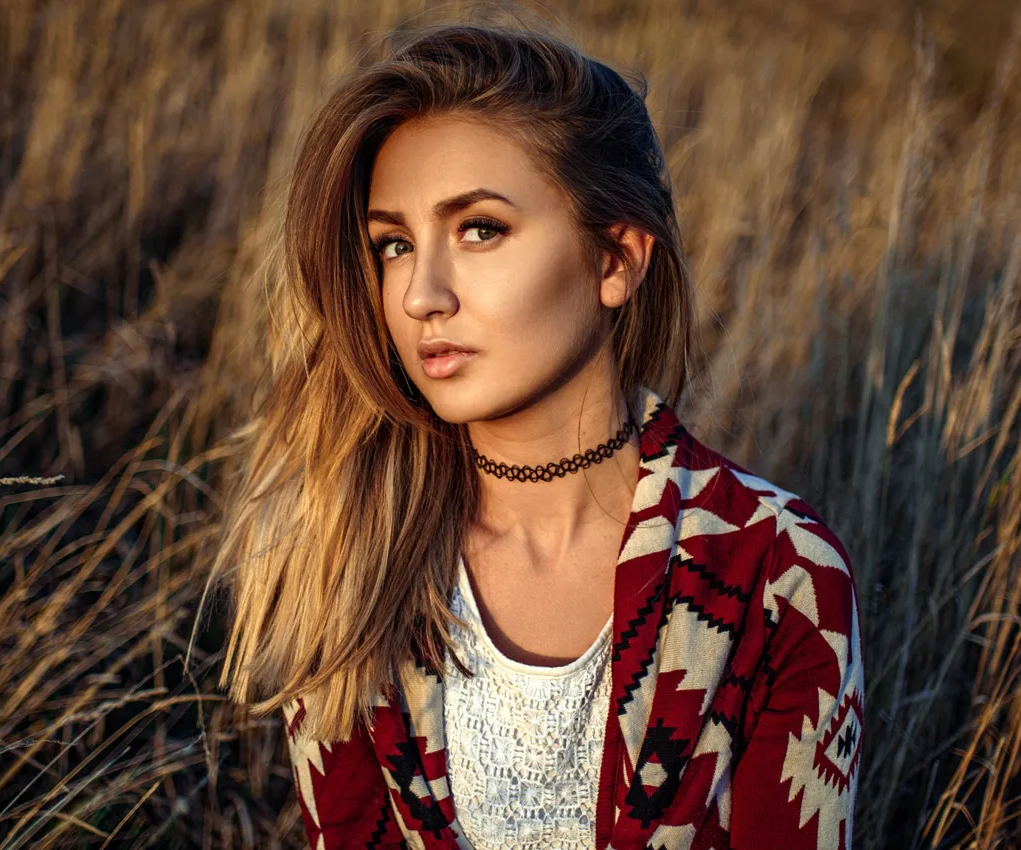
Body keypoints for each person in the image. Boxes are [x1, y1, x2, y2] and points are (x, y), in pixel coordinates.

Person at [197, 15, 864, 850]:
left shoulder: (778, 572)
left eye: (480, 229)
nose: (419, 296)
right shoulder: (350, 558)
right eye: (395, 244)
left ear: (614, 260)